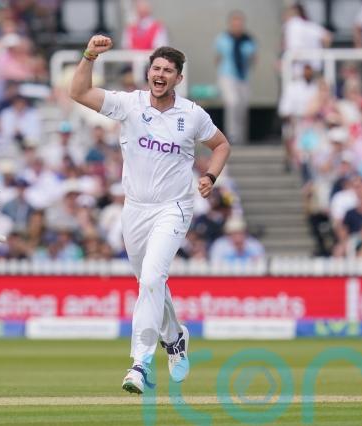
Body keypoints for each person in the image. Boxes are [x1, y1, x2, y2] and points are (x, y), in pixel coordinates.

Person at [70, 35, 231, 394]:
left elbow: (221, 145)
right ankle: (174, 337)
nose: (160, 74)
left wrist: (209, 176)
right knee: (150, 282)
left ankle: (139, 364)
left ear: (178, 78)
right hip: (135, 209)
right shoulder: (129, 104)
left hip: (173, 208)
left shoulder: (192, 114)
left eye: (168, 71)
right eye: (156, 68)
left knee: (153, 278)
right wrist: (89, 55)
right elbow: (79, 92)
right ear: (148, 73)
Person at [214, 10, 256, 145]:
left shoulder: (248, 40)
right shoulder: (223, 38)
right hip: (227, 75)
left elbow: (253, 58)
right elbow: (218, 57)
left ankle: (241, 137)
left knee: (242, 107)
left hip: (242, 77)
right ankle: (232, 136)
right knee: (232, 103)